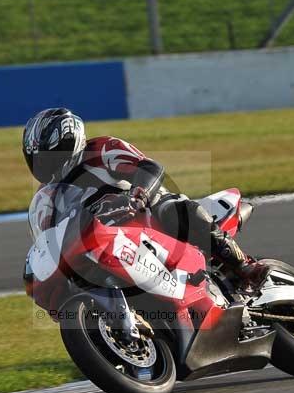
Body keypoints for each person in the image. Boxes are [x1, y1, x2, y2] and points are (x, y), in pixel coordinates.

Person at [22, 107, 269, 290]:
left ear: (69, 143)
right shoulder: (48, 195)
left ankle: (243, 264)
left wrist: (136, 197)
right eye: (37, 159)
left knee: (174, 209)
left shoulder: (101, 150)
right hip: (101, 242)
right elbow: (47, 236)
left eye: (48, 157)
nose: (43, 166)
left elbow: (149, 167)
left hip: (144, 212)